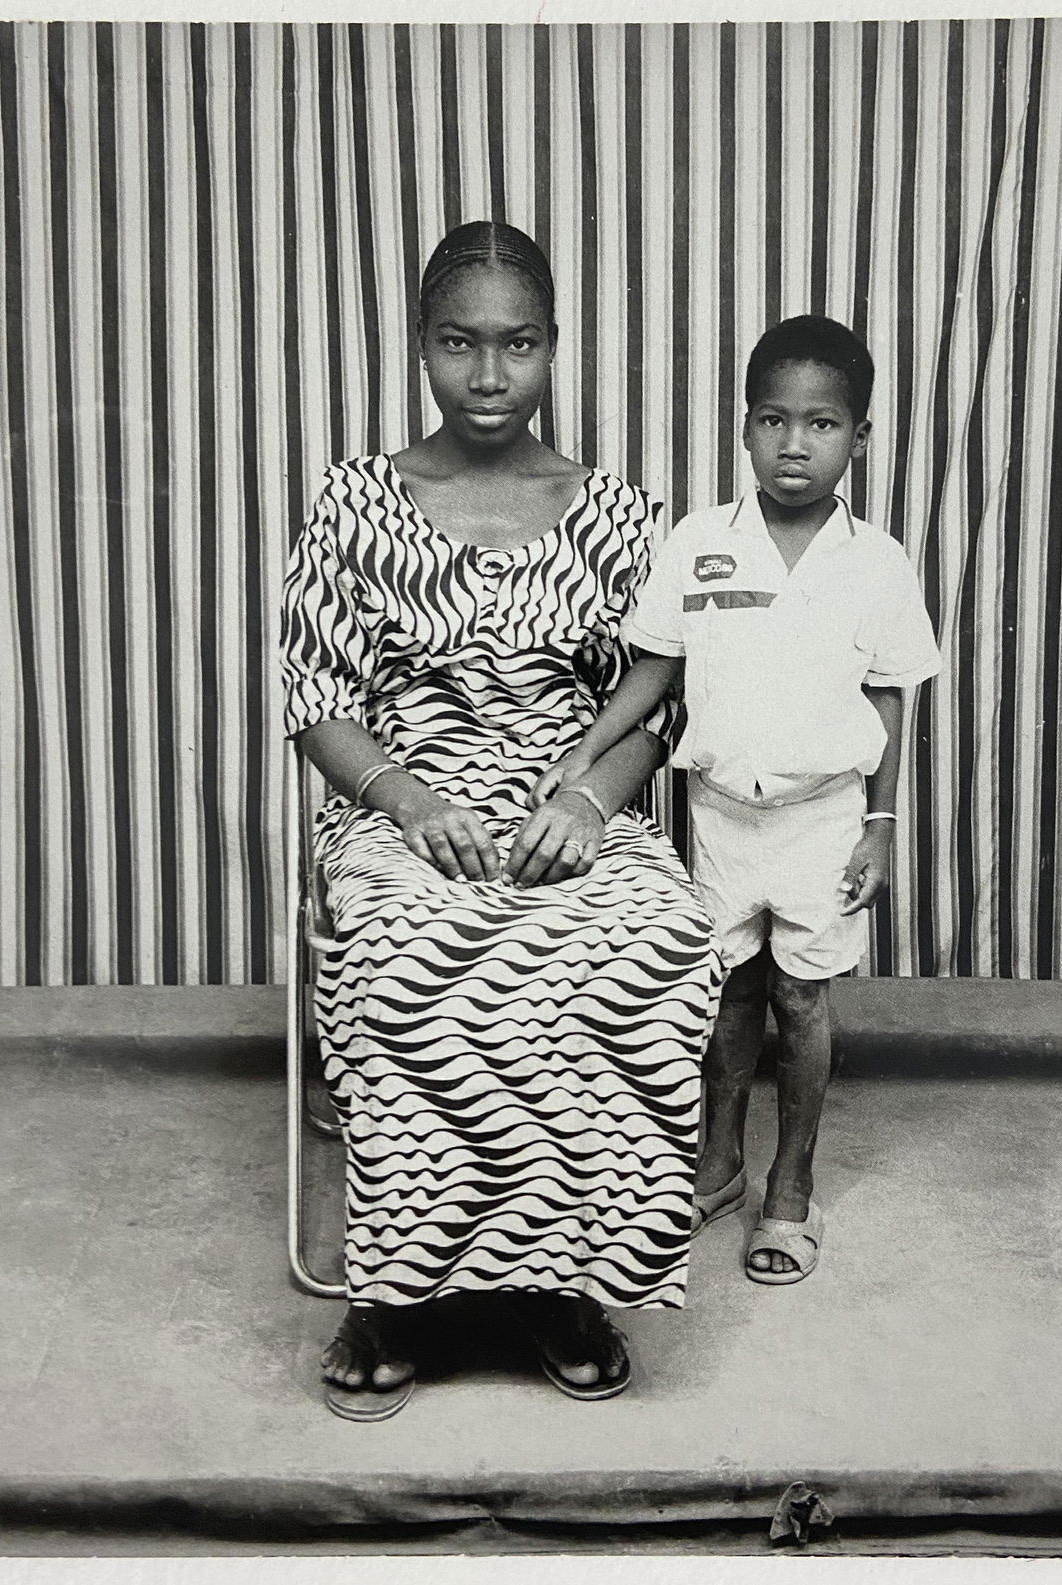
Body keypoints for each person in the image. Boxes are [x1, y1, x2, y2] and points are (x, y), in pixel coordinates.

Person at [281, 220, 721, 1420]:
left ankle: (569, 1282)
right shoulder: (354, 499)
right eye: (459, 344)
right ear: (418, 345)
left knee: (651, 940)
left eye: (517, 345)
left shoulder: (624, 515)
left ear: (554, 348)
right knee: (405, 939)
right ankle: (398, 1293)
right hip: (398, 787)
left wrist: (586, 800)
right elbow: (318, 704)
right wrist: (409, 803)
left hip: (573, 788)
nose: (488, 376)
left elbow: (655, 704)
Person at [534, 315, 942, 1285]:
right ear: (744, 428)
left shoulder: (875, 563)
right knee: (723, 994)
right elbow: (654, 671)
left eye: (821, 424)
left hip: (823, 820)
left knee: (801, 1000)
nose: (794, 444)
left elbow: (892, 696)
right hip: (722, 815)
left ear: (860, 436)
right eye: (773, 420)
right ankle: (715, 1163)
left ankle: (789, 1188)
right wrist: (585, 746)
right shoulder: (699, 543)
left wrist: (882, 824)